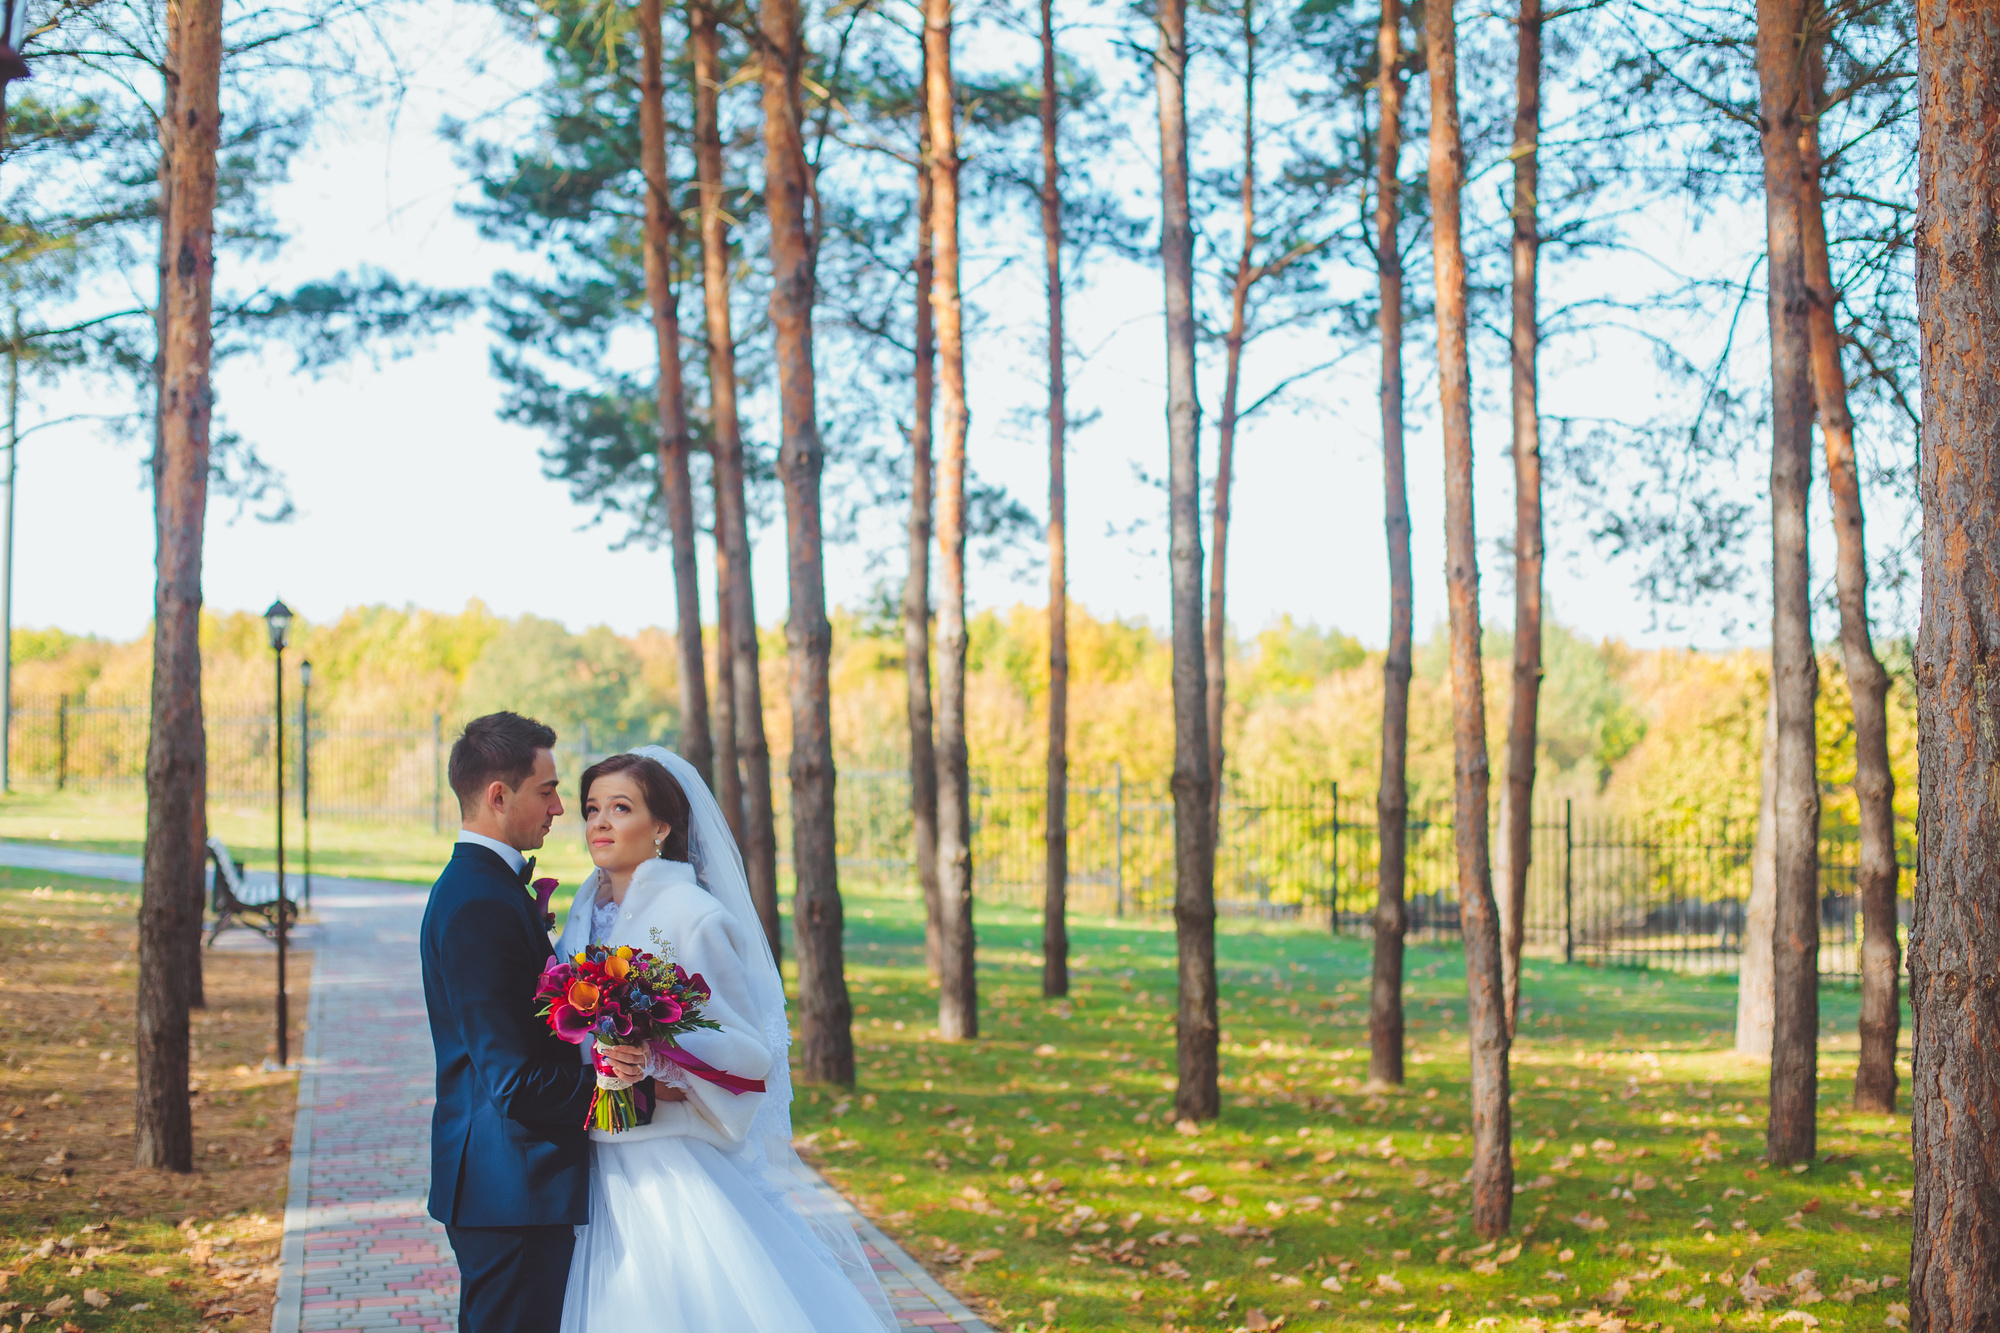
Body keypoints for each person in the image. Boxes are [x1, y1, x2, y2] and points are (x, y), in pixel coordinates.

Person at [554, 747, 895, 1333]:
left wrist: (656, 1066)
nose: (600, 823)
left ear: (660, 826)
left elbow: (743, 1048)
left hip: (666, 1163)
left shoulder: (694, 916)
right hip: (591, 1155)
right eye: (591, 809)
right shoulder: (584, 909)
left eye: (620, 807)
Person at [419, 712, 650, 1333]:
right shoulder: (478, 904)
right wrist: (628, 1093)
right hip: (510, 1189)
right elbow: (513, 1079)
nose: (559, 809)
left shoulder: (487, 888)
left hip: (513, 1186)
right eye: (547, 791)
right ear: (500, 796)